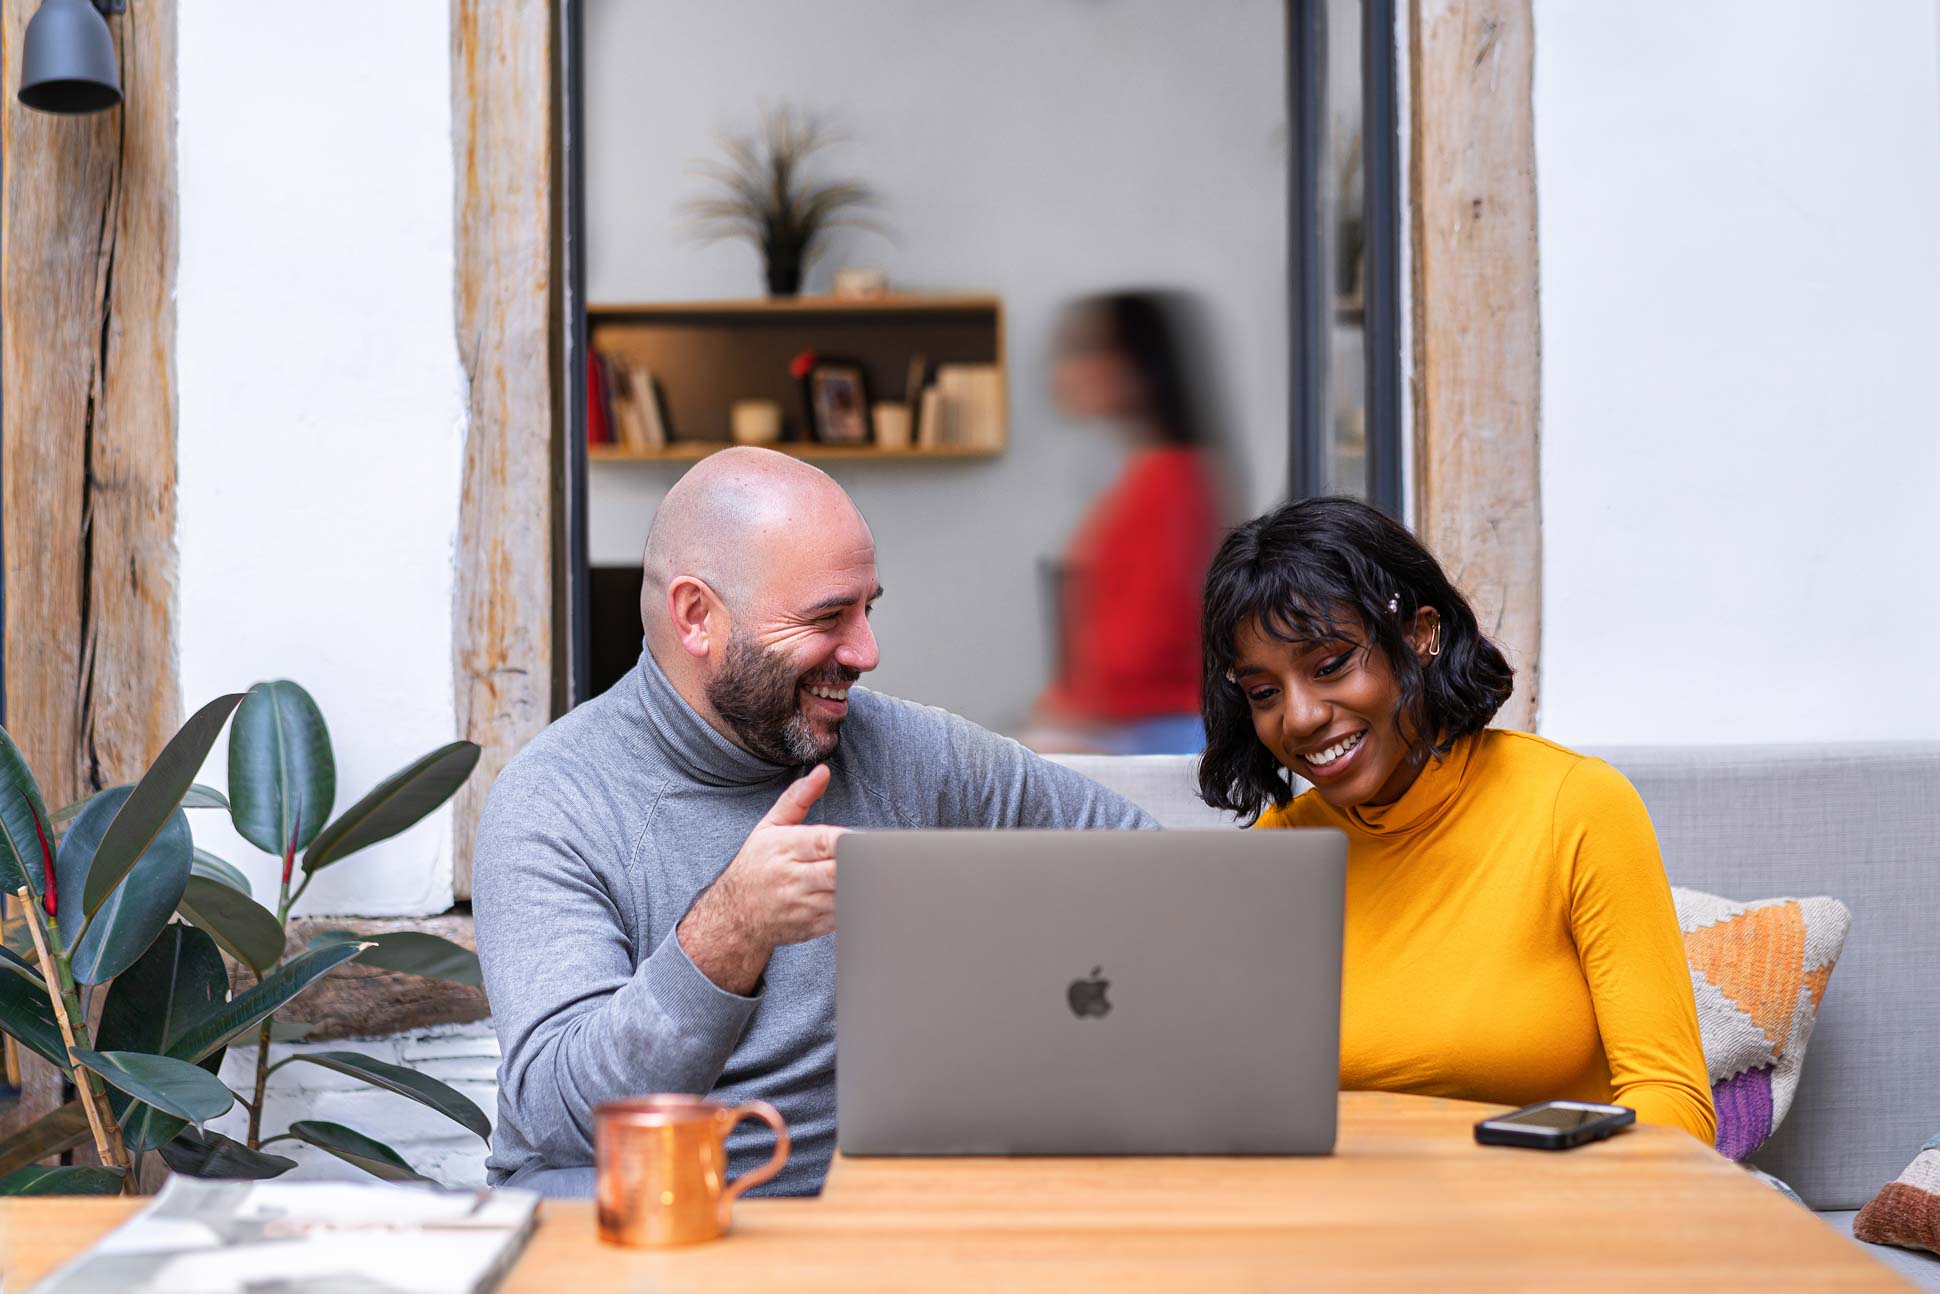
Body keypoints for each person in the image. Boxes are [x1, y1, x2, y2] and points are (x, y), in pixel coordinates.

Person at [471, 447, 1154, 1199]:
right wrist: (731, 928)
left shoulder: (915, 756)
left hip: (887, 1226)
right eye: (828, 616)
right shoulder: (554, 802)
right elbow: (560, 1124)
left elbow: (1153, 875)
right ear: (698, 616)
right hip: (662, 1227)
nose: (866, 651)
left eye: (869, 608)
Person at [1196, 497, 1716, 1141]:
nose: (1299, 718)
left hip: (1552, 1211)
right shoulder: (1274, 857)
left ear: (1421, 634)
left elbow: (1675, 1102)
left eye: (1330, 666)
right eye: (1264, 693)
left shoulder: (1573, 806)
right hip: (1342, 1220)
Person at [1027, 292, 1223, 755]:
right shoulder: (1154, 474)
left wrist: (1077, 706)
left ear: (1136, 366)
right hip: (1137, 723)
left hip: (1157, 730)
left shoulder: (1171, 480)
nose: (1066, 371)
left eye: (1087, 351)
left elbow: (1144, 641)